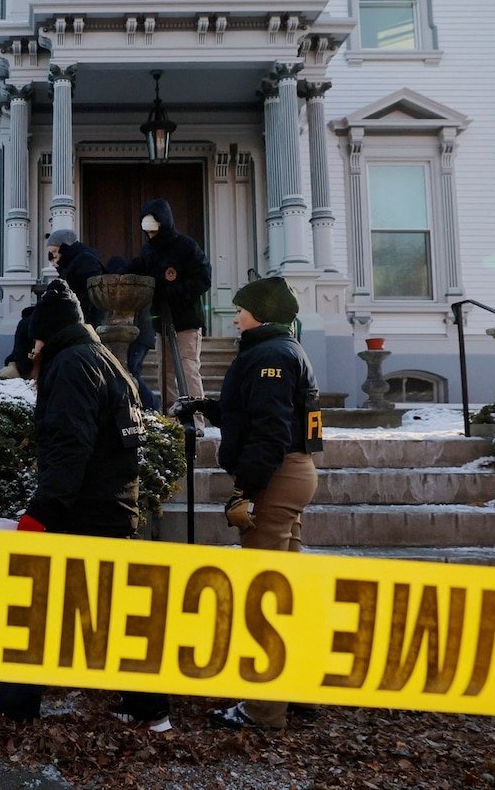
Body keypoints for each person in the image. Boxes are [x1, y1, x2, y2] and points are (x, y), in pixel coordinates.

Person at [0, 279, 172, 732]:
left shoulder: (70, 365)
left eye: (35, 343)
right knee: (111, 613)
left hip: (81, 510)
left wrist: (41, 513)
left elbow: (69, 447)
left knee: (37, 607)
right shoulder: (104, 359)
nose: (32, 352)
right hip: (111, 506)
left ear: (46, 337)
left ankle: (17, 705)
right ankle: (148, 707)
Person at [169, 277, 321, 731]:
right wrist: (205, 406)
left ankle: (262, 710)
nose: (234, 317)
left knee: (264, 597)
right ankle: (299, 692)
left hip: (277, 479)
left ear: (262, 313)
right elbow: (253, 411)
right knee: (285, 591)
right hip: (291, 473)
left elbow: (271, 430)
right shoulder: (278, 349)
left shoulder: (271, 355)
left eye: (241, 309)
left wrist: (248, 491)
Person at [125, 199, 210, 409]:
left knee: (188, 369)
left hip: (186, 320)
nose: (151, 236)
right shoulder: (149, 250)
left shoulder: (186, 246)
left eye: (154, 231)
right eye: (148, 232)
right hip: (161, 321)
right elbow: (138, 268)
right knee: (165, 372)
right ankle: (171, 416)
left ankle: (196, 417)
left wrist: (174, 292)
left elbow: (203, 278)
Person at [107, 255, 157, 411]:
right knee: (132, 371)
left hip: (139, 337)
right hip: (143, 337)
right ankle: (143, 405)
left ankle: (151, 404)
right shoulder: (136, 286)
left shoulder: (130, 289)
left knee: (131, 372)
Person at [45, 228, 106, 326]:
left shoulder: (85, 259)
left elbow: (90, 294)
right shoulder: (71, 263)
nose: (54, 256)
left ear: (65, 247)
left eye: (55, 251)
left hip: (87, 319)